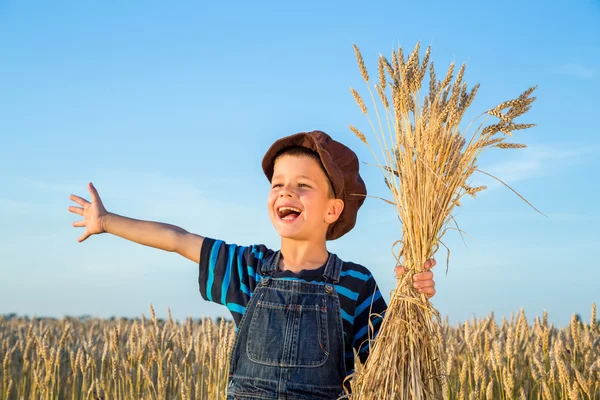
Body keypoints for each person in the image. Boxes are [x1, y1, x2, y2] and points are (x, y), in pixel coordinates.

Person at [68, 130, 437, 399]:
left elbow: (393, 358)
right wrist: (106, 222)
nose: (285, 192)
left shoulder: (357, 283)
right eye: (277, 184)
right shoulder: (248, 268)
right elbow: (178, 239)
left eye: (302, 185)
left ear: (332, 209)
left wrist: (413, 299)